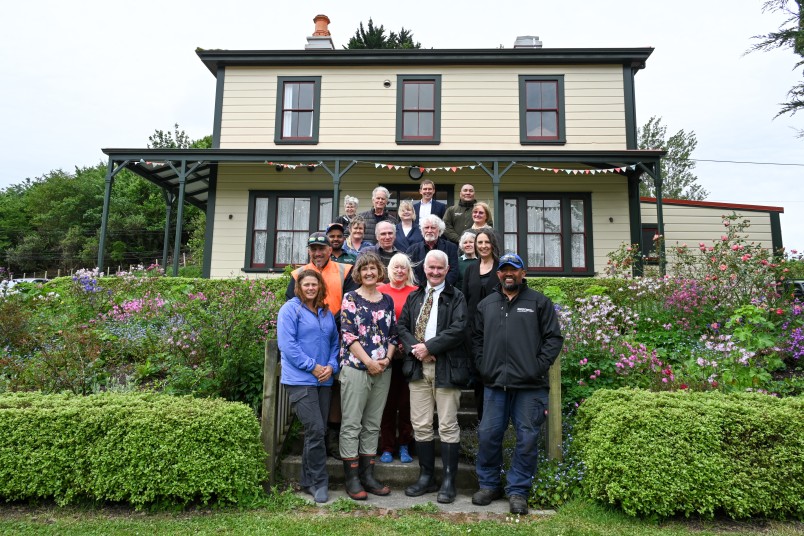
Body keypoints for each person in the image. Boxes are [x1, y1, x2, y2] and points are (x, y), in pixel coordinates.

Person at [470, 253, 564, 515]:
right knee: (488, 435)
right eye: (504, 270)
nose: (508, 274)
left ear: (523, 273)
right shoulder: (486, 304)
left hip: (530, 388)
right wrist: (484, 365)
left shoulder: (538, 303)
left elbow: (553, 339)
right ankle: (489, 485)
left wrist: (536, 367)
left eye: (514, 269)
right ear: (498, 274)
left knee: (527, 439)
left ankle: (518, 490)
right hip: (495, 385)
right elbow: (476, 339)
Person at [398, 249, 469, 504]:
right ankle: (426, 477)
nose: (435, 272)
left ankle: (449, 481)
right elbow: (402, 327)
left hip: (446, 367)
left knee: (448, 425)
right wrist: (417, 349)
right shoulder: (415, 296)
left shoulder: (456, 296)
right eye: (431, 268)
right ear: (424, 269)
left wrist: (431, 347)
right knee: (421, 425)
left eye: (440, 268)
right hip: (418, 368)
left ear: (447, 269)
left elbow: (459, 329)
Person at [285, 232, 356, 460]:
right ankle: (316, 442)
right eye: (313, 249)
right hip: (308, 344)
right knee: (314, 400)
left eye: (322, 248)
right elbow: (291, 306)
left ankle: (331, 440)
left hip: (337, 335)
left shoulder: (344, 269)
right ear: (309, 251)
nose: (317, 253)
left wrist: (333, 324)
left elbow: (351, 300)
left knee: (334, 391)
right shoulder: (298, 274)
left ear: (329, 250)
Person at [277, 269, 340, 504]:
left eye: (315, 284)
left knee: (319, 430)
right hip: (300, 380)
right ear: (299, 287)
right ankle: (319, 482)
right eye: (306, 285)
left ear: (320, 287)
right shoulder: (290, 310)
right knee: (315, 429)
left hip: (324, 380)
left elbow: (335, 342)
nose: (311, 288)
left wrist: (331, 366)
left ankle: (306, 480)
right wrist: (312, 366)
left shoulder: (325, 312)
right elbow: (287, 345)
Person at [339, 252, 397, 500]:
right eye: (364, 270)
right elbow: (348, 335)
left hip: (383, 370)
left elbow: (393, 335)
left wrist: (387, 359)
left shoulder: (387, 301)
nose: (369, 273)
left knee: (373, 424)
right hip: (356, 368)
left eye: (373, 268)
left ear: (379, 271)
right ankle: (352, 478)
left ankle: (368, 475)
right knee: (352, 423)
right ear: (358, 273)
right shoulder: (350, 298)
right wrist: (369, 362)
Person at [377, 253, 418, 465]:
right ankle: (387, 446)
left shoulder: (416, 292)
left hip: (409, 357)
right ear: (389, 270)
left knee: (406, 403)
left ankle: (404, 444)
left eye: (403, 267)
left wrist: (407, 344)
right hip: (385, 358)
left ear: (408, 270)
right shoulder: (380, 291)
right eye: (396, 267)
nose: (400, 271)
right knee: (387, 404)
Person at [461, 228, 500, 422]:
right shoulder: (470, 269)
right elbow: (465, 299)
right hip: (473, 331)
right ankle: (481, 421)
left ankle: (495, 420)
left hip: (497, 329)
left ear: (493, 244)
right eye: (480, 243)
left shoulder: (501, 268)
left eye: (486, 242)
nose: (483, 246)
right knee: (477, 376)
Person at [406, 214, 459, 287]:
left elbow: (453, 271)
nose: (429, 231)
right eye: (426, 228)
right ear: (422, 230)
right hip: (419, 291)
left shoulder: (451, 248)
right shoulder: (412, 250)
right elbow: (410, 272)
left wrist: (440, 286)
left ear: (439, 230)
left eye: (433, 228)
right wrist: (423, 288)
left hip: (444, 290)